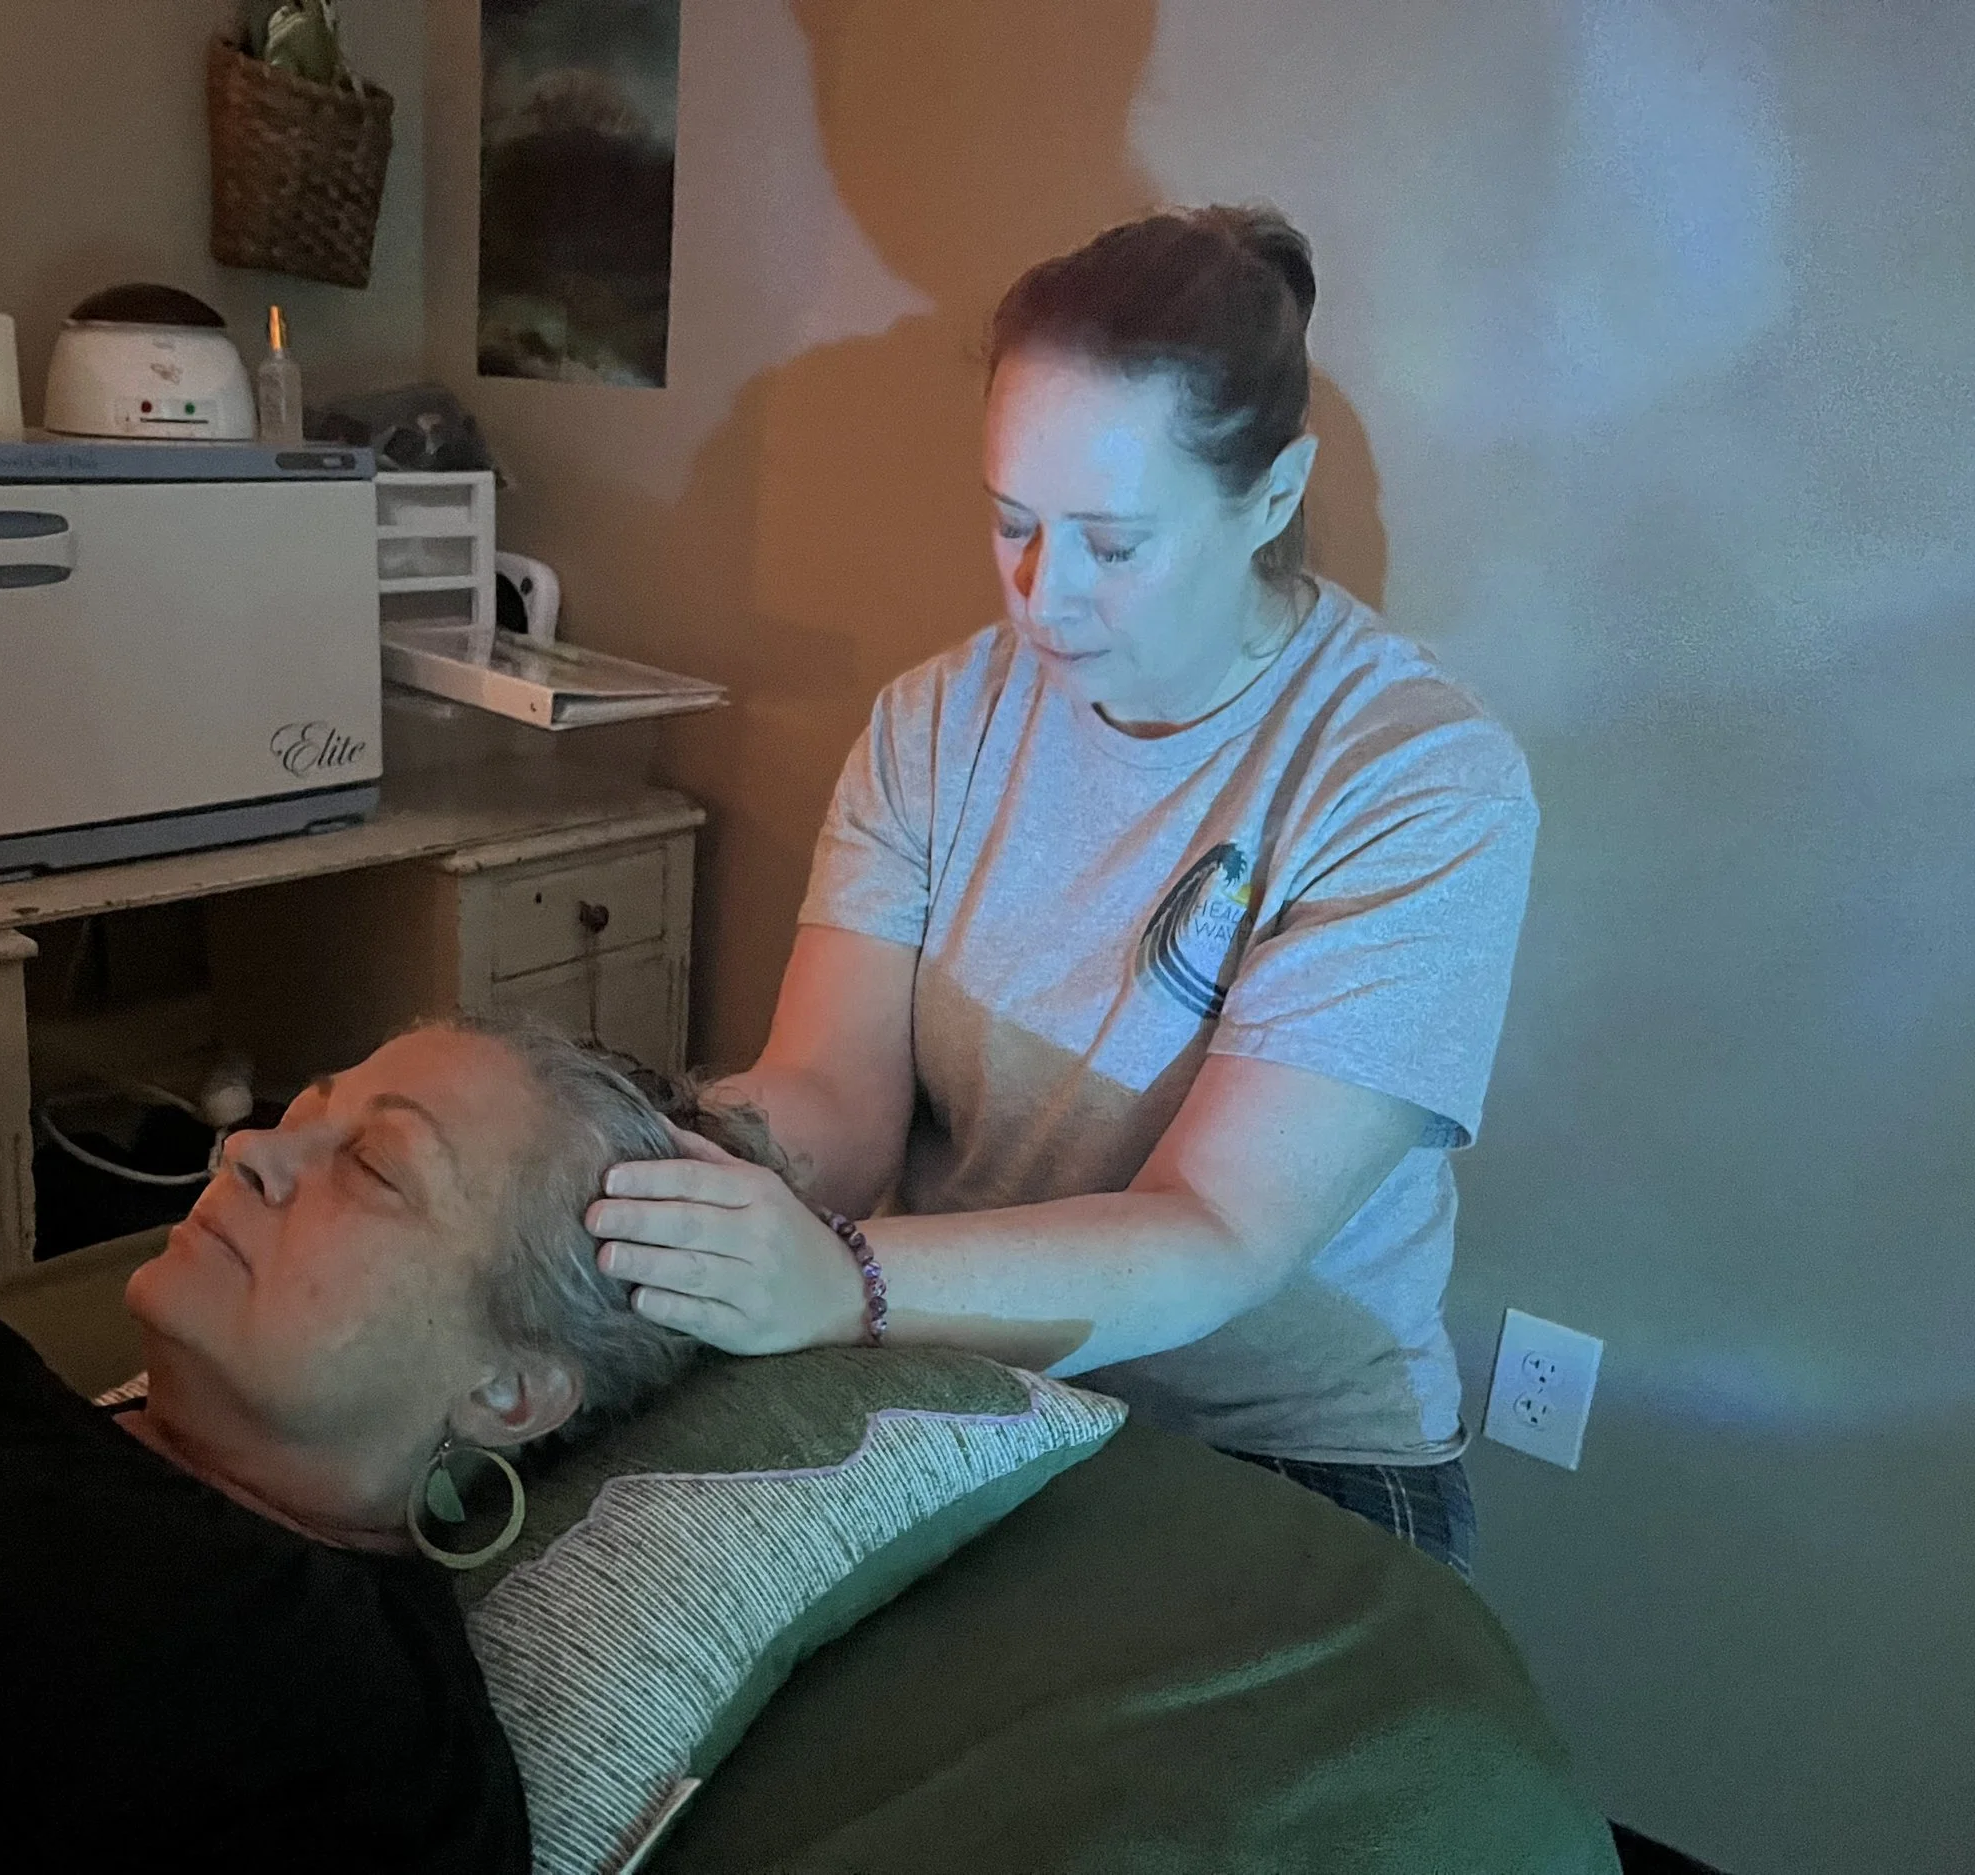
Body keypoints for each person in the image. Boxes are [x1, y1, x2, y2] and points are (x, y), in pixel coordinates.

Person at [587, 206, 1538, 1578]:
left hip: (1278, 1446)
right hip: (949, 1359)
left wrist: (840, 1277)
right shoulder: (934, 722)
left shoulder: (1417, 780)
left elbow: (1213, 1231)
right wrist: (658, 1168)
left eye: (1113, 541)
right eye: (1012, 523)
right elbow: (836, 1104)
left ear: (1272, 495)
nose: (1045, 595)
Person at [0, 1018, 741, 1862]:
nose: (247, 1148)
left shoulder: (361, 1751)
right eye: (294, 1121)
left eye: (371, 1166)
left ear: (513, 1387)